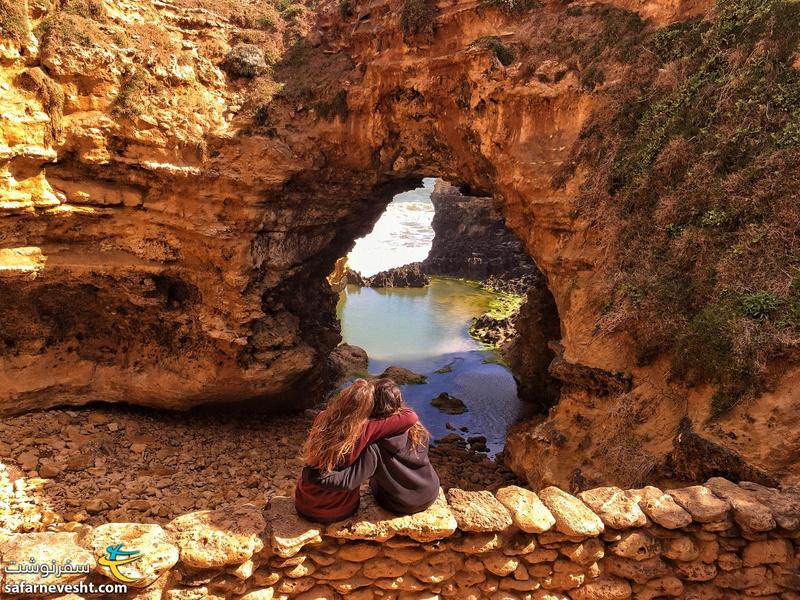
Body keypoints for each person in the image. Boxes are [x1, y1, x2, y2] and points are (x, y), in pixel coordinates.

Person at [304, 378, 440, 516]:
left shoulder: (372, 443)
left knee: (374, 481)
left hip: (401, 503)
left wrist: (312, 474)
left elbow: (350, 480)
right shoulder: (417, 429)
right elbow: (410, 415)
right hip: (431, 490)